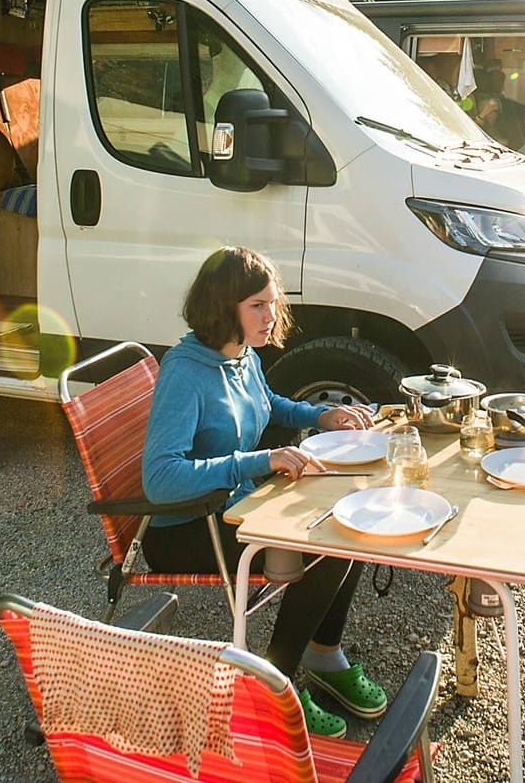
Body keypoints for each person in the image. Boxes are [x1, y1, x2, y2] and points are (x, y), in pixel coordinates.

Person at [140, 246, 383, 739]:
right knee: (323, 548)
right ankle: (277, 689)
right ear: (222, 308)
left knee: (349, 523)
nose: (271, 316)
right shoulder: (184, 374)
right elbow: (159, 479)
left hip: (233, 508)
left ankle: (325, 656)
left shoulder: (239, 355)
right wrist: (258, 461)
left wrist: (319, 415)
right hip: (187, 528)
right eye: (257, 305)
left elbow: (266, 403)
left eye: (273, 302)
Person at [472, 67, 525, 150]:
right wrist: (482, 116)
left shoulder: (503, 103)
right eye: (497, 81)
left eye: (501, 82)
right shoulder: (484, 103)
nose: (500, 85)